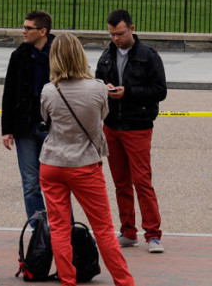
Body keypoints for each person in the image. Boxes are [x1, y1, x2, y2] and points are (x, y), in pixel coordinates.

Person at [39, 32, 135, 286]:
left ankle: (67, 280)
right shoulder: (97, 88)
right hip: (84, 163)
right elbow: (101, 116)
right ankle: (124, 281)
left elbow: (46, 120)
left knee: (59, 228)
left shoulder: (49, 90)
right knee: (103, 228)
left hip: (53, 162)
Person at [95, 9, 167, 254]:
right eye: (113, 34)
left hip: (138, 126)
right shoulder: (105, 56)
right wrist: (105, 88)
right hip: (112, 125)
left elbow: (160, 90)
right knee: (120, 183)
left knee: (142, 181)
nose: (116, 38)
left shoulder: (148, 56)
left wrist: (129, 92)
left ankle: (153, 234)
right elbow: (96, 84)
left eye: (120, 33)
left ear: (132, 29)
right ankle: (127, 231)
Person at [1, 10, 54, 221]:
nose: (23, 31)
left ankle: (61, 228)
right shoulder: (18, 55)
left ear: (43, 31)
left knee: (54, 181)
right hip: (25, 126)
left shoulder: (59, 52)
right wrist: (7, 130)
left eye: (28, 28)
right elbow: (9, 93)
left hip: (52, 127)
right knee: (31, 183)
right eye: (23, 27)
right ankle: (38, 229)